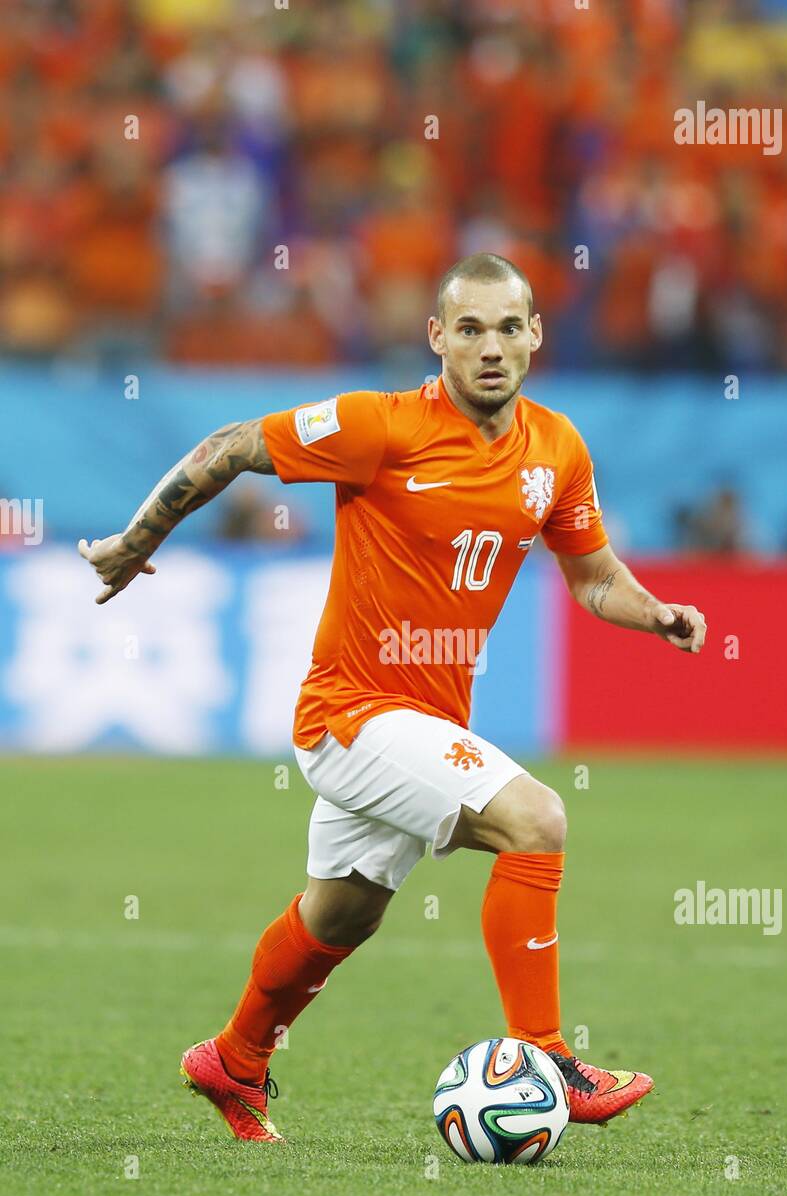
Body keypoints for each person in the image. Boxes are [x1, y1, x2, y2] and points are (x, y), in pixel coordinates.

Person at [79, 253, 707, 1143]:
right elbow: (228, 448)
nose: (490, 347)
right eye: (470, 329)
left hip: (428, 721)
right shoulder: (379, 427)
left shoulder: (558, 448)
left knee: (340, 913)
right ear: (437, 338)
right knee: (537, 820)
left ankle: (234, 1058)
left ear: (535, 335)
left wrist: (654, 614)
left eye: (507, 327)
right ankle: (552, 1059)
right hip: (350, 713)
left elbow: (594, 576)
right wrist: (134, 542)